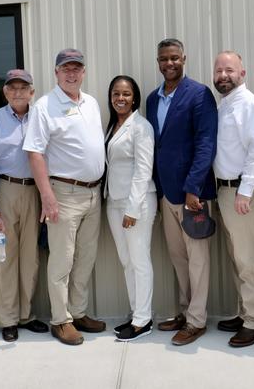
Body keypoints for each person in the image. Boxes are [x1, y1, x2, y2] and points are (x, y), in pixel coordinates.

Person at [23, 49, 106, 346]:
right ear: (56, 73)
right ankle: (60, 320)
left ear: (83, 72)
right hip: (63, 194)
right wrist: (47, 197)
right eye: (66, 69)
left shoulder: (92, 103)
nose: (72, 73)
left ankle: (79, 311)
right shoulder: (45, 106)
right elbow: (34, 153)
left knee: (86, 257)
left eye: (77, 68)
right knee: (62, 260)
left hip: (94, 193)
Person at [146, 38, 218, 346]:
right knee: (178, 258)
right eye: (164, 59)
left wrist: (193, 189)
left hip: (192, 195)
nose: (169, 63)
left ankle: (197, 320)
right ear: (158, 62)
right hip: (166, 192)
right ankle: (186, 311)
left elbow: (205, 144)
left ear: (184, 58)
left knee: (197, 260)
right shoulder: (152, 99)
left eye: (174, 58)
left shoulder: (199, 94)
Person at [0, 69, 49, 342]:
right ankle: (7, 318)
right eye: (12, 88)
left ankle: (26, 314)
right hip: (5, 190)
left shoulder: (40, 117)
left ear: (32, 92)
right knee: (3, 257)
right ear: (5, 92)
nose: (18, 92)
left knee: (30, 258)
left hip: (35, 191)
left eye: (23, 88)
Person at [211, 51, 254, 348]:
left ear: (242, 74)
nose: (223, 75)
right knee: (237, 256)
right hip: (225, 190)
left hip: (241, 192)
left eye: (229, 70)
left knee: (248, 259)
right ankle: (246, 312)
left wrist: (245, 192)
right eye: (219, 70)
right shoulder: (224, 105)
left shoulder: (249, 105)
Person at [104, 75, 156, 342]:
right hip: (114, 201)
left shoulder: (141, 126)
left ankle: (143, 320)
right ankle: (136, 312)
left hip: (137, 202)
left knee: (139, 260)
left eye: (125, 94)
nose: (120, 98)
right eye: (116, 93)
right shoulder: (113, 126)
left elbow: (143, 171)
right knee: (127, 261)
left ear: (134, 97)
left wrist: (133, 209)